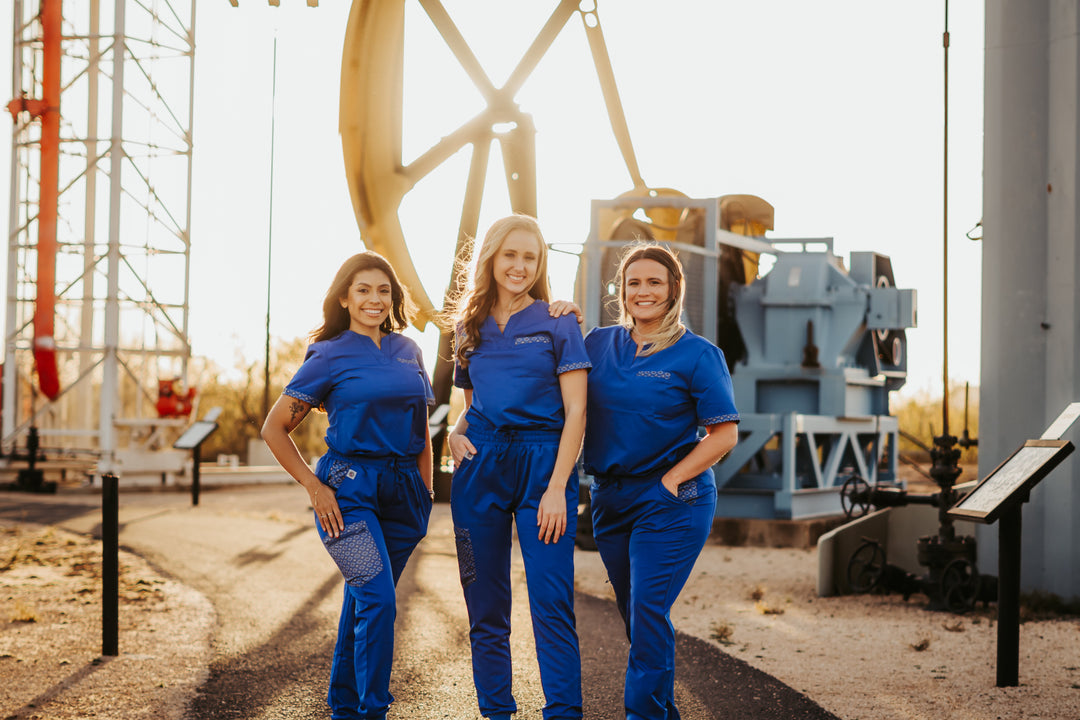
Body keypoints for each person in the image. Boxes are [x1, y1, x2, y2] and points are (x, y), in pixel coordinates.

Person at [261, 251, 434, 720]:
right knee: (377, 600)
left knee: (364, 599)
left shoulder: (409, 351)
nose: (374, 299)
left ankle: (344, 706)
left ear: (393, 297)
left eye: (383, 290)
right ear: (345, 297)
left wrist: (426, 491)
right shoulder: (329, 354)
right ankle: (373, 711)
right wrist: (314, 488)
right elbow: (273, 428)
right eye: (363, 290)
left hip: (404, 496)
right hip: (348, 494)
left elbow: (422, 428)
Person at [583, 243, 739, 720]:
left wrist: (670, 480)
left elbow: (724, 434)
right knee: (636, 616)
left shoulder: (697, 354)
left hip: (672, 500)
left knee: (648, 613)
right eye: (634, 282)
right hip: (609, 498)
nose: (643, 291)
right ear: (620, 290)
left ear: (674, 290)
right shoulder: (596, 343)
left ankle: (643, 715)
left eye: (655, 282)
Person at [445, 214, 589, 720]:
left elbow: (577, 411)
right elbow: (471, 405)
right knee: (483, 605)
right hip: (479, 470)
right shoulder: (467, 327)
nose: (520, 266)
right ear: (491, 257)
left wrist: (557, 488)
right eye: (511, 255)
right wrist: (452, 433)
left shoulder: (558, 320)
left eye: (531, 257)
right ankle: (496, 712)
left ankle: (564, 713)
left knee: (551, 603)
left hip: (542, 468)